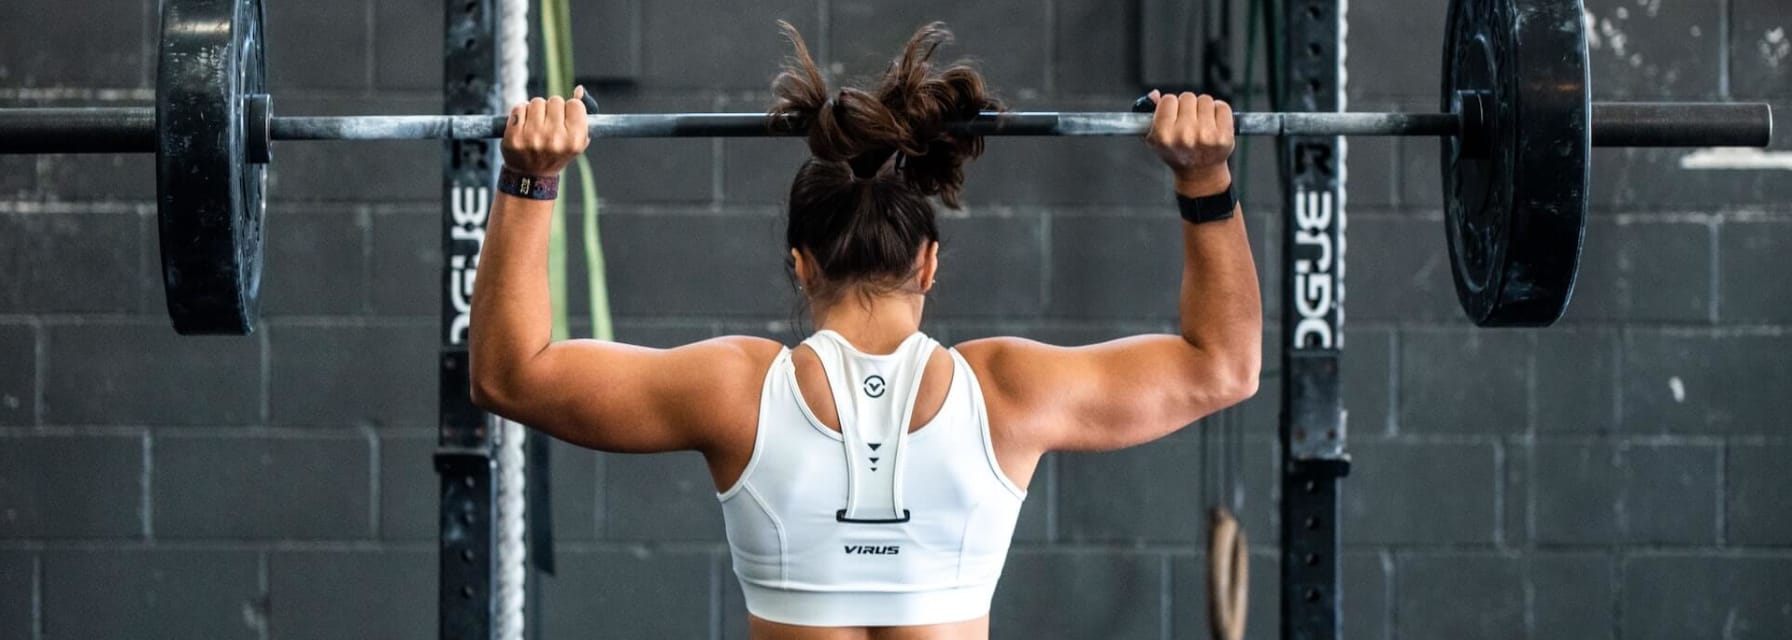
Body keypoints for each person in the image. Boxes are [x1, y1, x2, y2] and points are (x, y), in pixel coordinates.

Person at [469, 21, 1261, 640]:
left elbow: (510, 374)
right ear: (929, 265)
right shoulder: (1008, 393)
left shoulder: (737, 390)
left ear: (800, 265)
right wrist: (1205, 179)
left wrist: (530, 178)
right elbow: (1224, 365)